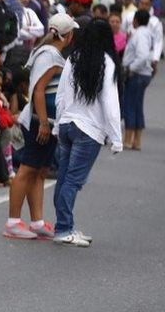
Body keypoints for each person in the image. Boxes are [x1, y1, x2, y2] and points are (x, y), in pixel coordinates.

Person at [3, 14, 77, 239]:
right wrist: (44, 122)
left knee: (40, 171)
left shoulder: (50, 53)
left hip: (48, 122)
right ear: (68, 35)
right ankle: (13, 222)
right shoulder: (51, 56)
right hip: (40, 123)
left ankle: (36, 221)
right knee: (27, 170)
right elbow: (38, 90)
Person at [52, 19, 122, 247]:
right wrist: (117, 138)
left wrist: (57, 124)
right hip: (89, 130)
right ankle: (63, 229)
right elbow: (110, 103)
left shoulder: (74, 57)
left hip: (67, 124)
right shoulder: (107, 62)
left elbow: (61, 95)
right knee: (74, 181)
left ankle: (65, 225)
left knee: (64, 178)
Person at [122, 10, 154, 150]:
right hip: (143, 74)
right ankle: (137, 141)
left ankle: (128, 140)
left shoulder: (140, 34)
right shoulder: (147, 33)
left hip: (137, 74)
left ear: (136, 20)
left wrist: (131, 69)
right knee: (137, 106)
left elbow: (142, 56)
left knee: (130, 105)